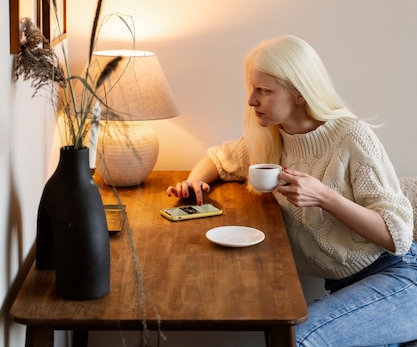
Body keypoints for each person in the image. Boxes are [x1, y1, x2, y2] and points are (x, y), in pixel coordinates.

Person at [167, 35, 417, 347]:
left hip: (400, 278)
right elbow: (218, 160)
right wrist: (193, 181)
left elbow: (399, 236)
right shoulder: (270, 140)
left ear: (299, 93)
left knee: (294, 340)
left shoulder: (352, 136)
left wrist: (324, 197)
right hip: (346, 288)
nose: (251, 101)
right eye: (251, 88)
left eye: (264, 91)